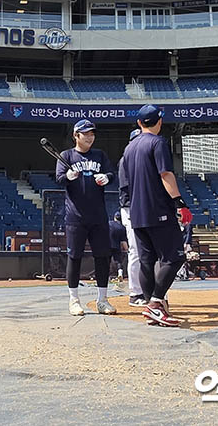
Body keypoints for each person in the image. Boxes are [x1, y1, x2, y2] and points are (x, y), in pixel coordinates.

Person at [119, 105, 192, 328]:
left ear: (140, 123)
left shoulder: (129, 148)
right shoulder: (158, 142)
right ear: (158, 122)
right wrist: (179, 203)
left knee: (147, 261)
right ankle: (156, 303)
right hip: (158, 209)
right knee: (175, 257)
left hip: (136, 212)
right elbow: (165, 174)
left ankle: (151, 306)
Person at [54, 119, 116, 316]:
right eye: (85, 134)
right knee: (75, 257)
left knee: (102, 257)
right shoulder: (66, 156)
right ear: (76, 136)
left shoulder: (100, 155)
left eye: (92, 133)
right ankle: (74, 300)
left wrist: (107, 177)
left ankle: (102, 300)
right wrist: (68, 176)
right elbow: (59, 178)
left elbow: (111, 173)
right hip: (75, 216)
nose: (90, 137)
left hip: (98, 216)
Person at [118, 128, 147, 307]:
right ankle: (135, 293)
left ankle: (149, 291)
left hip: (145, 209)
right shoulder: (126, 160)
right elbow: (126, 191)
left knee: (149, 252)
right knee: (136, 250)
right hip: (130, 209)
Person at [108, 212, 128, 281]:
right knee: (118, 261)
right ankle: (120, 274)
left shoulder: (109, 224)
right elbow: (123, 242)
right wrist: (127, 250)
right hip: (116, 246)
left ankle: (106, 276)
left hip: (107, 245)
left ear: (114, 217)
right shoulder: (122, 227)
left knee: (106, 261)